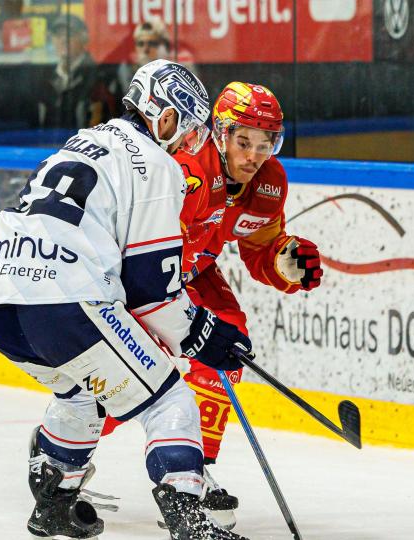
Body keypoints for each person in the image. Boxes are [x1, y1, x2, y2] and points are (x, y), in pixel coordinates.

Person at [0, 60, 250, 540]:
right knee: (169, 400)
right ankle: (190, 521)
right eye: (184, 129)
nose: (186, 144)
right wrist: (203, 333)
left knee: (83, 393)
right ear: (161, 116)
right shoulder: (157, 165)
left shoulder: (83, 141)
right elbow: (149, 294)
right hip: (64, 304)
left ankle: (53, 503)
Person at [102, 82, 323, 529]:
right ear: (219, 133)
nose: (254, 155)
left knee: (228, 343)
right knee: (133, 371)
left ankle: (194, 473)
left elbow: (261, 250)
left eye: (267, 143)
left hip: (193, 271)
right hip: (141, 277)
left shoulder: (269, 182)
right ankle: (71, 437)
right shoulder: (187, 168)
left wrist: (286, 261)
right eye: (244, 141)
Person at [39, 15, 114, 130]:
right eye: (58, 35)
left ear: (84, 40)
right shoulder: (44, 77)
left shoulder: (99, 77)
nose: (63, 39)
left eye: (70, 34)